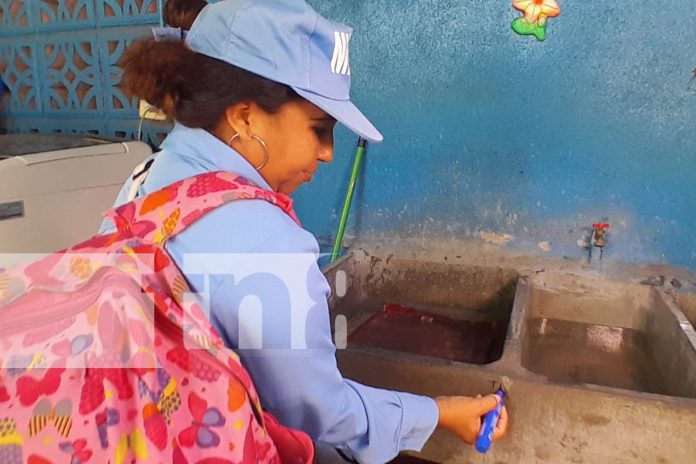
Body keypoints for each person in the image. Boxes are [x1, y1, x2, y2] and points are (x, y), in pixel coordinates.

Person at [103, 0, 508, 462]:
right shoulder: (268, 242)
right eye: (319, 129)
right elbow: (319, 414)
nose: (328, 153)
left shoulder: (145, 178)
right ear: (245, 116)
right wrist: (437, 413)